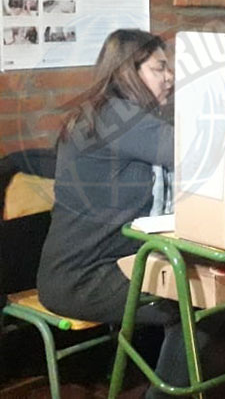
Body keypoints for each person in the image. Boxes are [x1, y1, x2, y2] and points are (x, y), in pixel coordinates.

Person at [35, 29, 201, 398]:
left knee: (197, 290)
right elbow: (197, 152)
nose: (170, 76)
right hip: (83, 278)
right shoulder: (117, 116)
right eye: (159, 68)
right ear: (128, 72)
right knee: (196, 304)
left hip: (110, 265)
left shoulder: (112, 113)